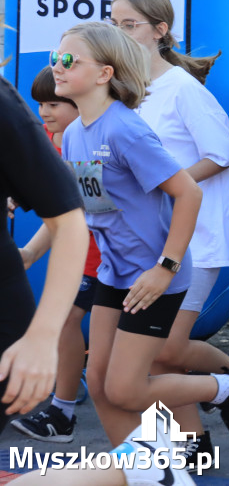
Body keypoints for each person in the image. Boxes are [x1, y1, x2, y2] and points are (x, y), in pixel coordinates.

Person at [49, 22, 229, 460]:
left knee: (126, 388)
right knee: (103, 385)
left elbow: (189, 192)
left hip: (154, 277)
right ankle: (144, 470)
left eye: (69, 60)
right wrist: (32, 252)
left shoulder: (126, 129)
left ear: (104, 74)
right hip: (115, 274)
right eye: (56, 57)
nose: (57, 66)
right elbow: (86, 207)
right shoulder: (74, 134)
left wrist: (164, 267)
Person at [109, 0, 229, 470]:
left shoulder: (183, 88)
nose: (119, 33)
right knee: (156, 355)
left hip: (202, 237)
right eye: (114, 23)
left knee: (167, 349)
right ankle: (192, 447)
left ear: (160, 29)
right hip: (154, 241)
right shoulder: (126, 91)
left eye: (129, 24)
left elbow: (224, 153)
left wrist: (164, 184)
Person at [11, 68, 103, 444]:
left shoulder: (81, 144)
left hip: (108, 257)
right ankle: (62, 411)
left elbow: (78, 214)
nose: (44, 111)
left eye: (53, 103)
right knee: (71, 327)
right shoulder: (53, 139)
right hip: (87, 255)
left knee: (127, 362)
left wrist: (31, 251)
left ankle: (224, 382)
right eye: (39, 104)